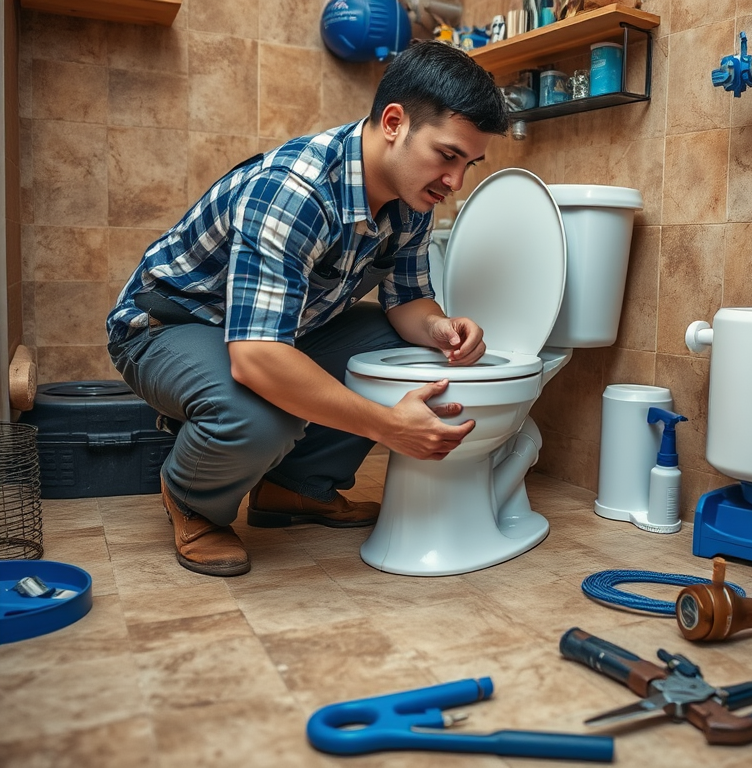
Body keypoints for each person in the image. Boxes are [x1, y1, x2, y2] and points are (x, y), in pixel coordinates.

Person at [106, 41, 510, 577]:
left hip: (272, 333)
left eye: (470, 163)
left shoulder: (410, 199)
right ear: (394, 122)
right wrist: (389, 426)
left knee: (401, 348)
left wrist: (438, 327)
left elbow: (408, 301)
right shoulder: (293, 192)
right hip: (167, 327)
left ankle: (291, 489)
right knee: (258, 414)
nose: (455, 182)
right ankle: (192, 500)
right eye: (448, 155)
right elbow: (257, 360)